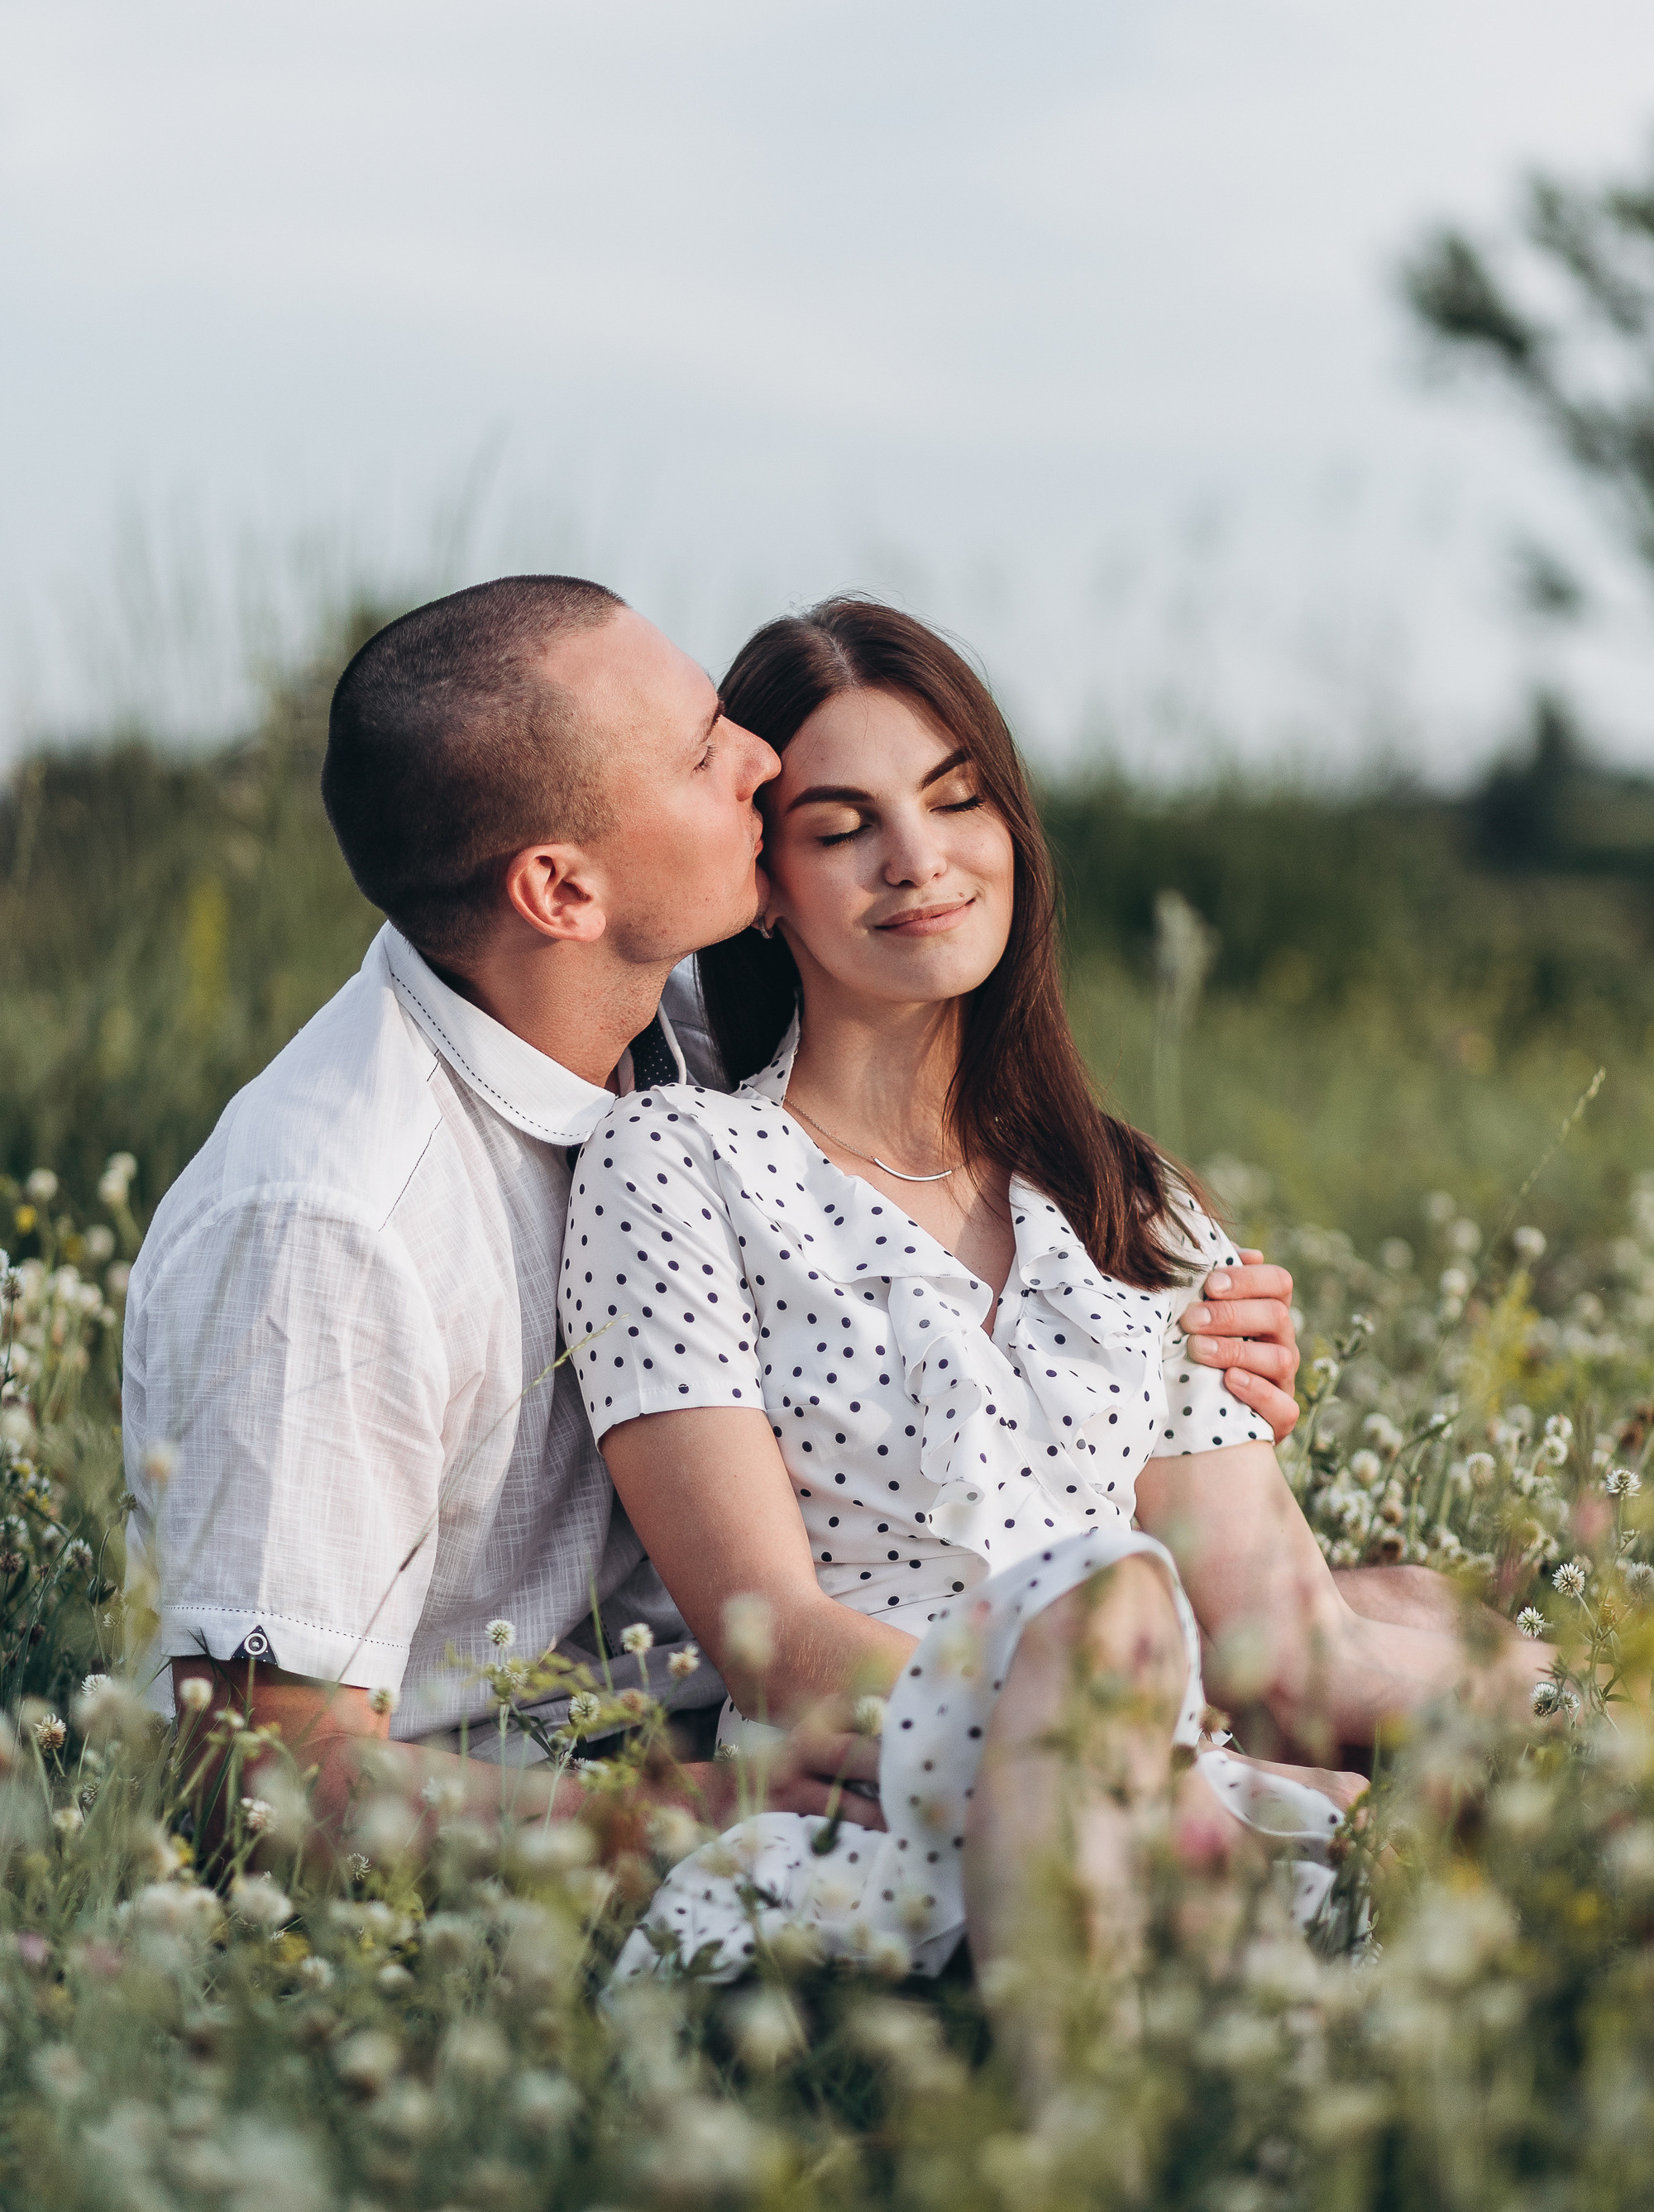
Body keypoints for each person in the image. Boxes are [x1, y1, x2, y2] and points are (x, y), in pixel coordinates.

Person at [122, 577, 1304, 1851]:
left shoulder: (677, 1023)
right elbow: (254, 1764)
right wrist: (651, 1823)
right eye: (703, 754)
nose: (758, 756)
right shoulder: (329, 1222)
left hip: (803, 1718)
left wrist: (1163, 1343)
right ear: (562, 895)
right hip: (548, 1838)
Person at [561, 598, 1537, 1990]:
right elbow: (774, 1640)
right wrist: (1092, 1742)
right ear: (765, 882)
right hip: (878, 1834)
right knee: (1110, 1605)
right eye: (843, 829)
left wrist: (1574, 1724)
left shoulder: (1127, 1196)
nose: (919, 861)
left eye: (958, 803)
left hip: (1177, 1798)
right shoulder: (681, 1161)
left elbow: (1284, 1645)